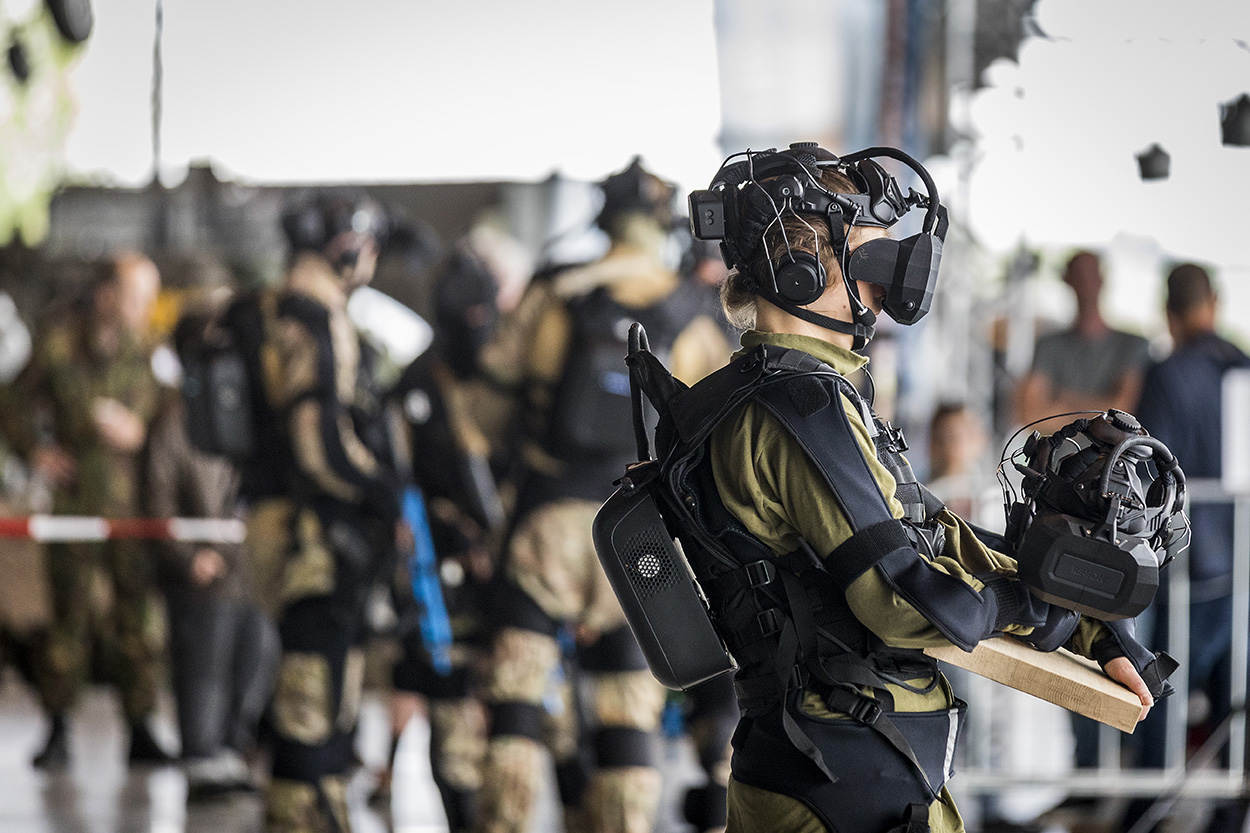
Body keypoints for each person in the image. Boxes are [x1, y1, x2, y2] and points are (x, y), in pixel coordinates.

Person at [625, 143, 1165, 833]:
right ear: (801, 270)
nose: (885, 283)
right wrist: (1037, 609)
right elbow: (902, 596)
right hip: (847, 780)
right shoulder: (802, 408)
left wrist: (1091, 626)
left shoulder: (758, 395)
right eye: (869, 256)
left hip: (825, 768)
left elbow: (931, 534)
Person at [474, 158, 724, 833]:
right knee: (628, 714)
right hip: (643, 533)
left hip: (547, 521)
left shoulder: (555, 293)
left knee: (517, 703)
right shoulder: (691, 310)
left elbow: (487, 411)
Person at [243, 192, 405, 833]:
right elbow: (321, 445)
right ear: (347, 247)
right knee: (314, 699)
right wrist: (381, 488)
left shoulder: (269, 307)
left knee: (318, 691)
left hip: (277, 522)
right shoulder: (315, 316)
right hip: (314, 535)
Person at [0, 252, 171, 767]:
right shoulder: (59, 344)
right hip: (74, 504)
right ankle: (58, 728)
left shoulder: (149, 351)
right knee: (67, 618)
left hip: (132, 508)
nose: (144, 307)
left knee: (136, 618)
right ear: (106, 295)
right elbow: (10, 402)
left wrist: (140, 433)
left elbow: (171, 416)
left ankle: (141, 727)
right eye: (136, 296)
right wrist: (37, 452)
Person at [1125, 264, 1249, 833]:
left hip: (1189, 567)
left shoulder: (1166, 373)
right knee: (1234, 702)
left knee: (1162, 693)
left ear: (1167, 312)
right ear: (1214, 302)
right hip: (1242, 566)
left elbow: (1151, 466)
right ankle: (1228, 816)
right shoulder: (1242, 369)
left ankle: (1144, 813)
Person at [146, 311, 279, 799]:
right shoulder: (176, 420)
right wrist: (188, 556)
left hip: (251, 572)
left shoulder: (250, 413)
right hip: (203, 576)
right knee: (204, 670)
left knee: (255, 658)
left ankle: (231, 749)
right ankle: (202, 758)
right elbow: (158, 498)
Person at [1015, 251, 1149, 427]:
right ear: (1067, 280)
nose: (1086, 283)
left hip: (1108, 448)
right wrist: (1099, 407)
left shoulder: (1132, 345)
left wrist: (1063, 399)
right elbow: (1030, 415)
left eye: (1090, 275)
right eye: (1079, 276)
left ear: (1102, 280)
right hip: (1060, 446)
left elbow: (1123, 411)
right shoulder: (1048, 345)